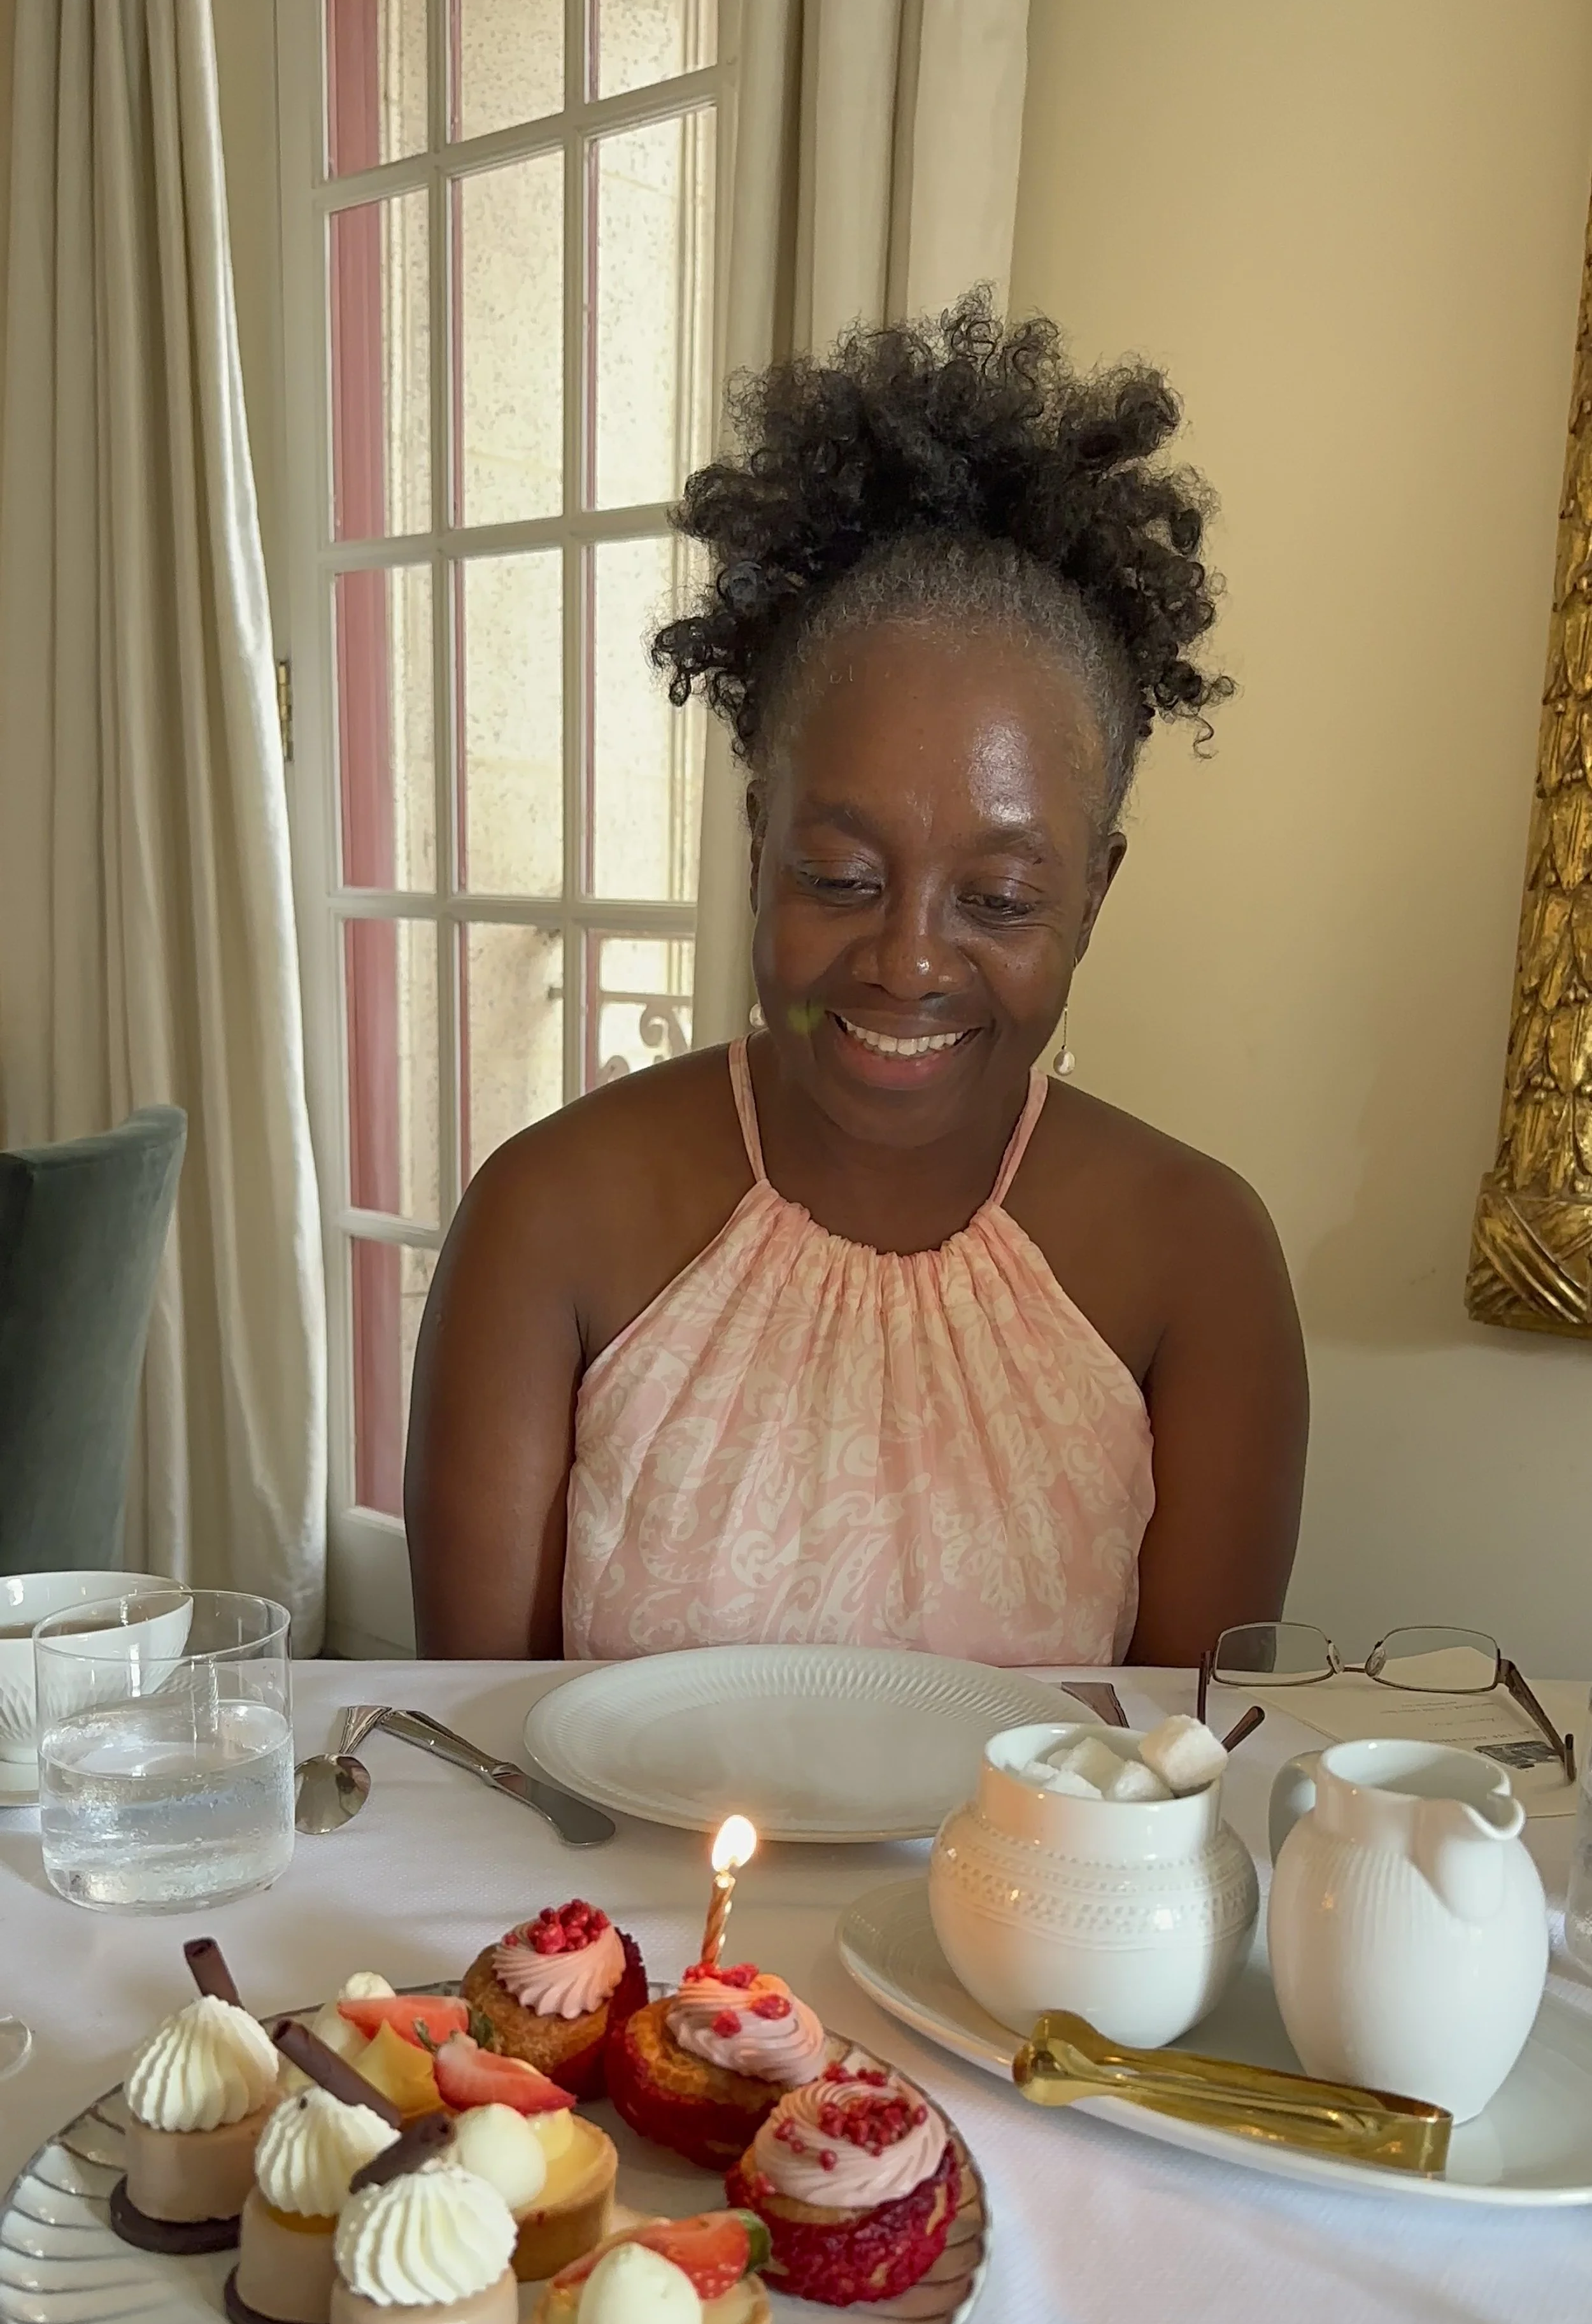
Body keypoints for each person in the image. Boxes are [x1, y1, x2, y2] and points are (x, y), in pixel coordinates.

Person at [407, 299, 1307, 1666]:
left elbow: (1187, 1788)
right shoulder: (546, 1220)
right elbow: (467, 1768)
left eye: (1000, 900)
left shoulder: (1200, 1260)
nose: (907, 961)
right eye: (838, 874)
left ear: (1095, 892)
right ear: (758, 837)